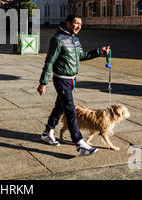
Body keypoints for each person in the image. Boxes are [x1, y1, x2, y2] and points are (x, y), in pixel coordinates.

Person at [37, 15, 110, 157]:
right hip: (61, 79)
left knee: (60, 106)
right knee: (70, 109)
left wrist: (99, 51)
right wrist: (43, 82)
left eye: (80, 24)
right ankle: (79, 143)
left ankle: (47, 132)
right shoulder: (57, 39)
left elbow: (81, 56)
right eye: (76, 23)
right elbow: (49, 61)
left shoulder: (75, 39)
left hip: (71, 80)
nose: (78, 26)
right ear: (68, 23)